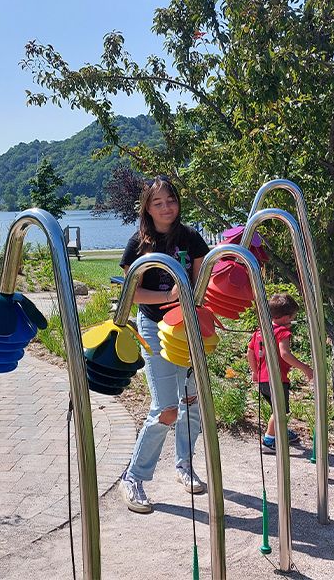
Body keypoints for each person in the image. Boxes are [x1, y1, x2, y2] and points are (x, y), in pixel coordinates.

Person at [118, 175, 210, 513]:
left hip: (185, 327)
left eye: (170, 200)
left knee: (192, 402)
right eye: (158, 203)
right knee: (166, 409)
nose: (166, 207)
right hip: (154, 325)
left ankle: (184, 465)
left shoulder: (191, 238)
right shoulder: (138, 243)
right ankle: (133, 477)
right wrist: (168, 296)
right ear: (147, 208)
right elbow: (130, 295)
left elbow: (201, 279)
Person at [247, 293, 314, 453]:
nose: (293, 320)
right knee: (280, 411)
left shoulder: (259, 331)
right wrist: (305, 368)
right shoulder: (282, 332)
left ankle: (282, 432)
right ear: (285, 317)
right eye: (292, 317)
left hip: (263, 380)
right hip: (277, 379)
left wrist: (255, 372)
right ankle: (269, 441)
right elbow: (284, 354)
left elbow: (249, 352)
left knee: (276, 409)